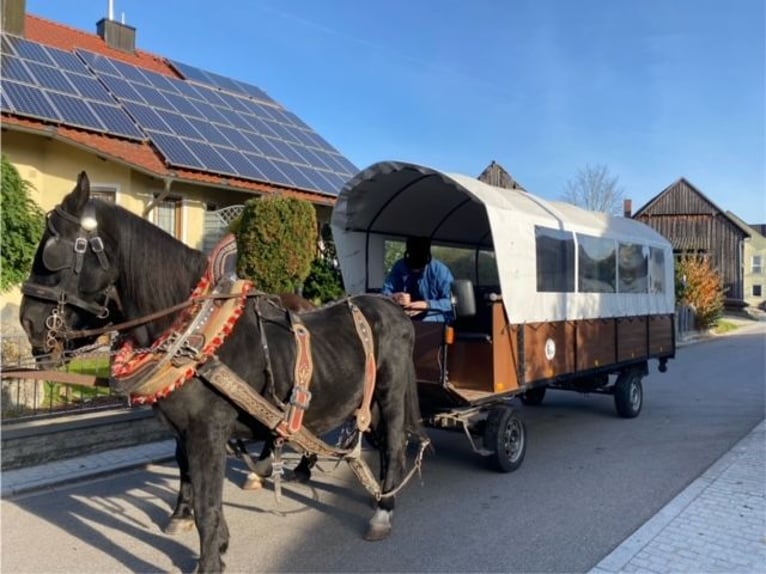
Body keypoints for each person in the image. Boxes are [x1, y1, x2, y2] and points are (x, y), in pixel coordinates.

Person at [382, 236, 454, 322]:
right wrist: (394, 297)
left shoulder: (440, 271)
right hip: (404, 313)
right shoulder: (400, 267)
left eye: (419, 269)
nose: (415, 271)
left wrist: (427, 305)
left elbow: (451, 302)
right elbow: (385, 293)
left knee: (425, 322)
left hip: (433, 314)